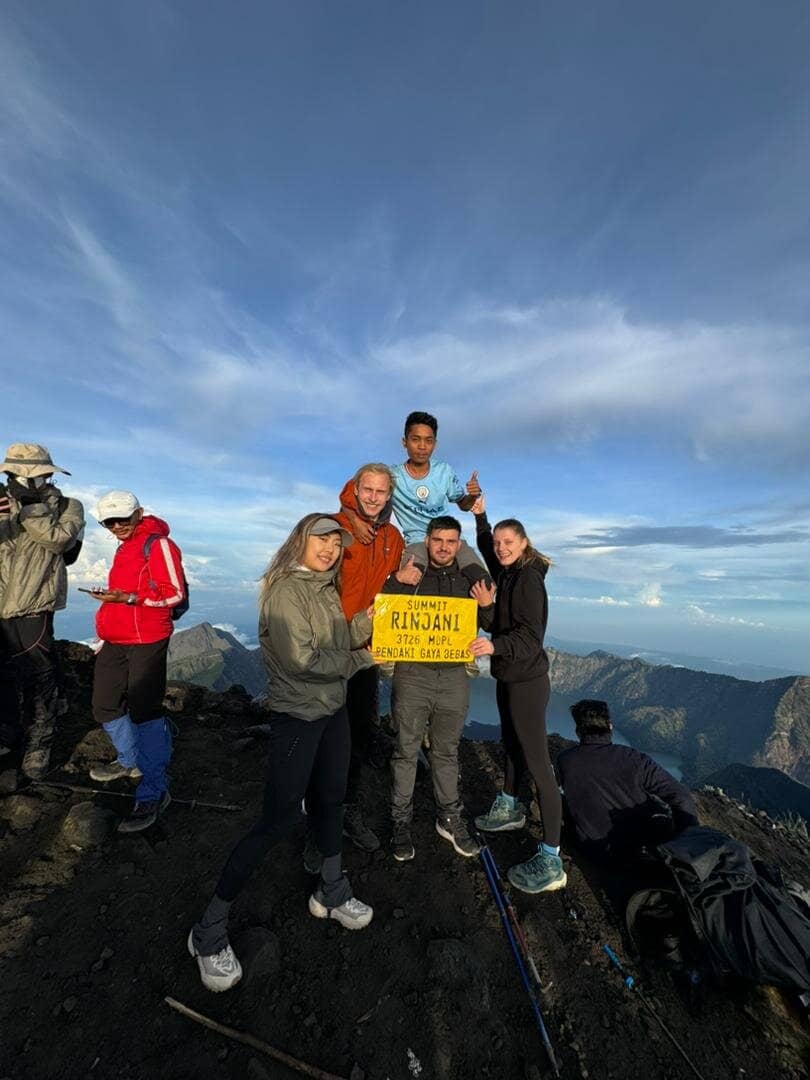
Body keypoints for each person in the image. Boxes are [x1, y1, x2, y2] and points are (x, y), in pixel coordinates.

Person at [189, 514, 376, 993]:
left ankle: (332, 892)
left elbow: (337, 639)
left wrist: (371, 623)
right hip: (299, 716)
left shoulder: (323, 588)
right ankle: (208, 932)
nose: (331, 549)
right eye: (323, 540)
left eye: (337, 542)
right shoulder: (286, 592)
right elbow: (304, 660)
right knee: (278, 819)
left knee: (332, 798)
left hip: (331, 712)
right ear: (300, 541)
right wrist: (365, 658)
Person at [382, 516, 494, 861]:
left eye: (450, 542)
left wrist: (487, 605)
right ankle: (400, 821)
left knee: (446, 751)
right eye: (437, 540)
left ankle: (450, 817)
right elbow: (384, 615)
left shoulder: (468, 579)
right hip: (412, 674)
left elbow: (489, 623)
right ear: (427, 542)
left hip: (453, 677)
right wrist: (398, 582)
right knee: (405, 750)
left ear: (459, 545)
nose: (443, 547)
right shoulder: (410, 575)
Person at [469, 496, 566, 894]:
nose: (501, 548)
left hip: (526, 681)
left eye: (509, 542)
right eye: (498, 543)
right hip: (510, 677)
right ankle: (510, 806)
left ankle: (552, 857)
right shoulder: (507, 574)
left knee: (540, 765)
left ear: (524, 543)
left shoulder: (527, 581)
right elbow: (487, 553)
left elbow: (529, 638)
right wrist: (480, 518)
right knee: (510, 744)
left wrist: (494, 647)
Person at [88, 491, 185, 833]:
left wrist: (128, 598)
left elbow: (175, 592)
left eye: (123, 519)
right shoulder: (124, 547)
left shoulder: (157, 544)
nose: (116, 527)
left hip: (148, 639)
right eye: (109, 522)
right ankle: (130, 760)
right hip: (117, 639)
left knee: (145, 711)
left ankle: (153, 789)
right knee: (105, 703)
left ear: (139, 513)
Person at [332, 463, 411, 853]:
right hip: (329, 647)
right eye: (367, 489)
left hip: (365, 654)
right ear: (355, 488)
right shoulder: (331, 527)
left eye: (381, 492)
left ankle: (345, 810)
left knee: (357, 732)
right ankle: (318, 814)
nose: (373, 497)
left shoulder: (393, 538)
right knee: (325, 731)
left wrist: (404, 581)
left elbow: (389, 591)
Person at [0, 443, 85, 779]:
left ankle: (40, 741)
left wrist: (30, 508)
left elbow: (60, 541)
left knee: (40, 672)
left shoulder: (67, 506)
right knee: (3, 671)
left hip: (34, 599)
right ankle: (7, 732)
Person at [557, 699, 698, 863]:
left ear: (578, 731)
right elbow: (681, 797)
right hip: (643, 851)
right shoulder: (633, 758)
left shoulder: (565, 760)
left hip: (595, 852)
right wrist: (689, 844)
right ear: (610, 726)